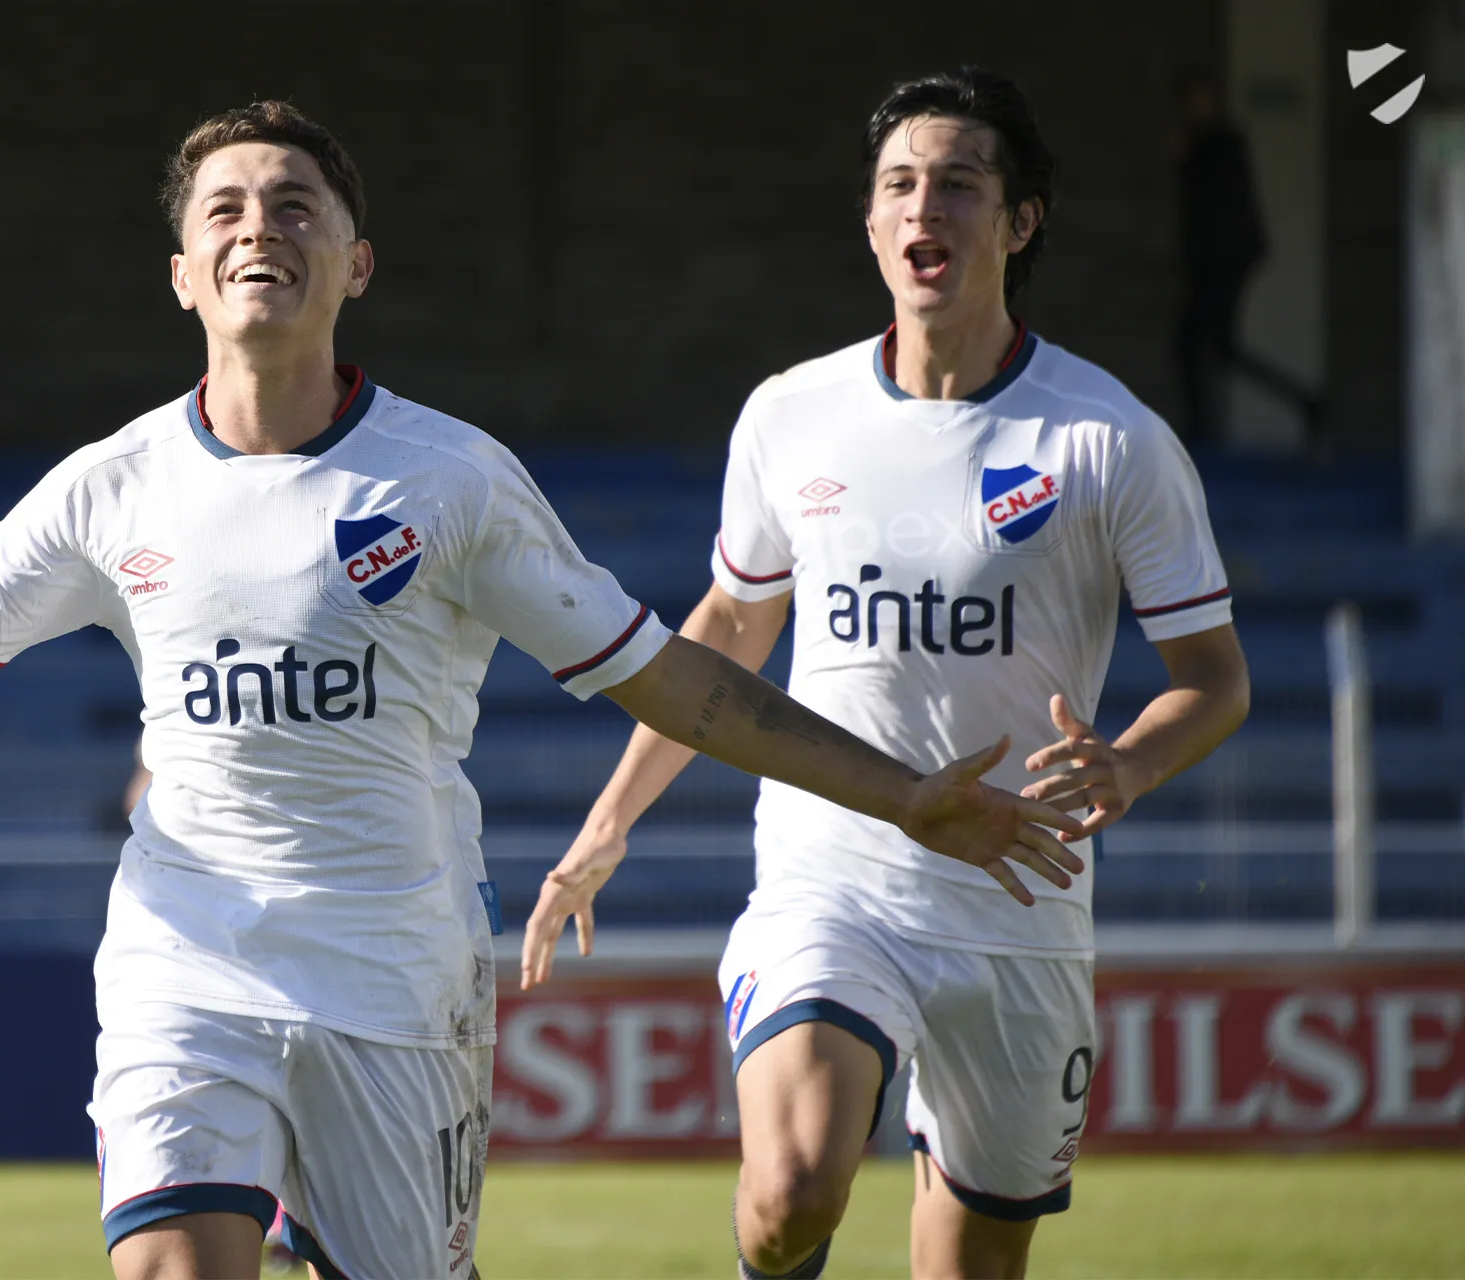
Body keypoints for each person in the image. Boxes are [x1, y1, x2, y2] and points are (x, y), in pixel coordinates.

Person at [0, 100, 1081, 1280]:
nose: (259, 227)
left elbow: (681, 685)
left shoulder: (451, 482)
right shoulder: (110, 489)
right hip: (186, 961)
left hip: (396, 984)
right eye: (226, 209)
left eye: (295, 206)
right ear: (182, 274)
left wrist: (904, 795)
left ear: (357, 264)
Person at [521, 69, 1250, 1280]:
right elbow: (728, 631)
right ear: (870, 221)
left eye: (960, 183)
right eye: (901, 183)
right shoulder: (790, 414)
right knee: (791, 1190)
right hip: (834, 880)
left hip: (1019, 902)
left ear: (1019, 221)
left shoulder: (1109, 438)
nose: (926, 206)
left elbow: (1214, 677)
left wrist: (1127, 764)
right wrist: (608, 823)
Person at [1172, 72, 1321, 451]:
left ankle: (1201, 432)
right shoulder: (1208, 143)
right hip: (1217, 261)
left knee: (1197, 344)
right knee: (1215, 348)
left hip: (1223, 262)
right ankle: (1305, 403)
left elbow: (1223, 209)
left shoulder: (1221, 144)